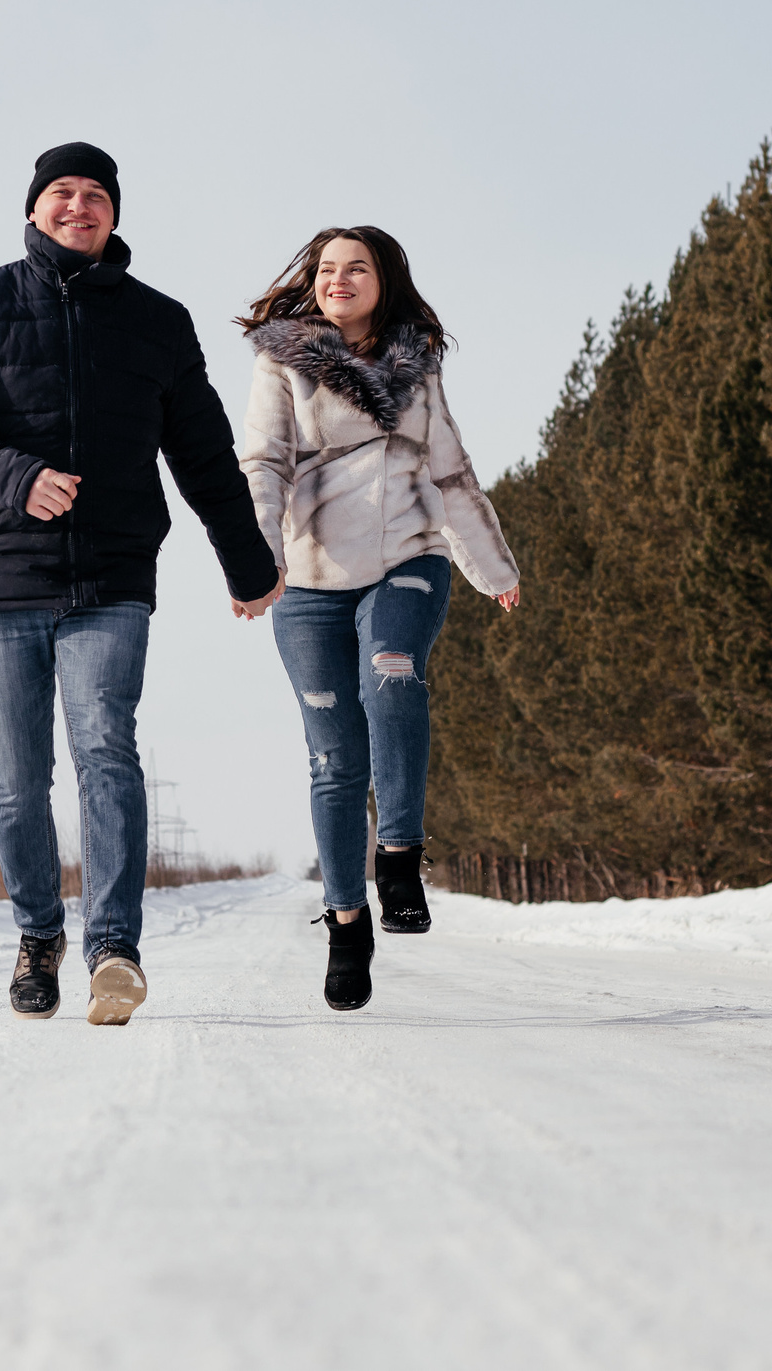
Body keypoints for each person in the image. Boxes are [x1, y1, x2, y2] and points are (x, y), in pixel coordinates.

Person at [0, 142, 282, 1025]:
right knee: (15, 779)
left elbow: (201, 452)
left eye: (97, 195)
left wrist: (248, 560)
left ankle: (115, 947)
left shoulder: (157, 320)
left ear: (115, 214)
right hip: (1, 572)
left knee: (105, 750)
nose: (80, 206)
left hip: (112, 572)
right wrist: (10, 474)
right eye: (62, 193)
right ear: (35, 209)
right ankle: (39, 937)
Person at [235, 226, 520, 1010]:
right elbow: (261, 464)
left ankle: (397, 855)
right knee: (333, 759)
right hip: (310, 578)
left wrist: (491, 566)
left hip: (407, 558)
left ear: (382, 280)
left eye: (355, 267)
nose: (338, 279)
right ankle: (346, 920)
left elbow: (451, 471)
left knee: (391, 673)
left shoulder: (415, 366)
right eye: (327, 269)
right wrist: (258, 562)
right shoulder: (281, 362)